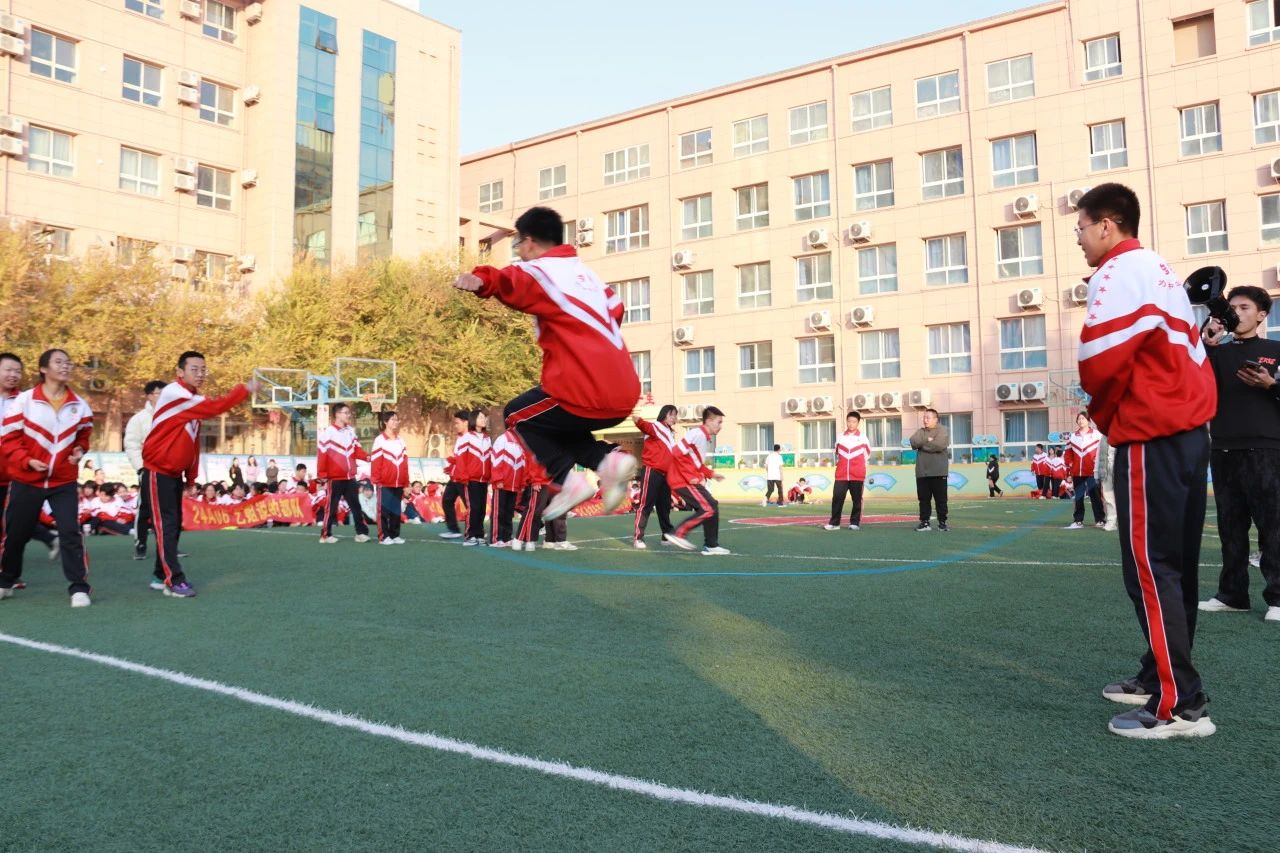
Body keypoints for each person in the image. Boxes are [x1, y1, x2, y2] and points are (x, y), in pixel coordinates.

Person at [1075, 182, 1218, 739]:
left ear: (1106, 225)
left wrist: (1105, 415)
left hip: (1151, 433)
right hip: (1188, 432)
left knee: (1152, 571)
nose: (1080, 240)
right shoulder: (1158, 267)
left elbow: (1101, 360)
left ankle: (1179, 704)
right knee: (1175, 567)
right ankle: (1159, 673)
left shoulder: (1117, 271)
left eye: (1081, 229)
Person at [453, 206, 639, 522]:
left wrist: (480, 280)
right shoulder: (590, 278)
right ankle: (607, 459)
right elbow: (616, 309)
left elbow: (507, 280)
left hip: (583, 387)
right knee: (553, 423)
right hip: (625, 391)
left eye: (518, 246)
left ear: (528, 242)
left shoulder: (541, 271)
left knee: (516, 415)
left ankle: (568, 481)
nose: (519, 253)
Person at [143, 350, 258, 598]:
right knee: (166, 525)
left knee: (174, 526)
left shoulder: (193, 399)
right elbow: (215, 407)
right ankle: (174, 580)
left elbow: (193, 442)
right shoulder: (175, 393)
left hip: (174, 473)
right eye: (194, 369)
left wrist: (191, 477)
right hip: (157, 471)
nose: (200, 374)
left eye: (203, 369)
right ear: (180, 372)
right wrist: (243, 390)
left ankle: (159, 575)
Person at [1196, 285, 1280, 624]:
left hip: (1267, 450)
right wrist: (1206, 343)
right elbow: (1188, 383)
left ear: (1262, 314)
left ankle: (1278, 598)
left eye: (1245, 307)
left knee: (1273, 526)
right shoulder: (1214, 352)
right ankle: (1232, 596)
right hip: (1223, 449)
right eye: (1233, 308)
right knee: (1231, 528)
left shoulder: (1276, 350)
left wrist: (1270, 385)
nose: (1237, 313)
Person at [0, 349, 94, 607]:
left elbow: (84, 436)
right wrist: (26, 461)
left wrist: (79, 450)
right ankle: (6, 581)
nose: (65, 366)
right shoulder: (25, 401)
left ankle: (79, 588)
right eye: (58, 362)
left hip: (63, 481)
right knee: (15, 534)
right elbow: (9, 439)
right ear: (43, 369)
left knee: (70, 532)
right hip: (27, 479)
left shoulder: (80, 405)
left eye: (68, 362)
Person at [0, 352, 58, 562]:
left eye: (18, 371)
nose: (13, 375)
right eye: (8, 370)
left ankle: (9, 572)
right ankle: (48, 538)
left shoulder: (27, 400)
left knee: (15, 519)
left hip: (16, 471)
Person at [665, 406, 729, 555]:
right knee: (708, 508)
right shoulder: (697, 433)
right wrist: (690, 476)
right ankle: (678, 534)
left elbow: (697, 464)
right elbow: (676, 453)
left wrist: (712, 474)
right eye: (719, 422)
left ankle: (711, 545)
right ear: (709, 421)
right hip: (683, 480)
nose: (720, 426)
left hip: (686, 479)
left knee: (712, 506)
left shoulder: (703, 438)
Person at [317, 402, 371, 544]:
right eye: (346, 413)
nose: (349, 415)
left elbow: (357, 450)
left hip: (350, 477)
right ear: (337, 414)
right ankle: (325, 535)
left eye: (349, 413)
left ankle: (361, 533)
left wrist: (367, 457)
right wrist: (322, 476)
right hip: (334, 478)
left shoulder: (350, 431)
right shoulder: (327, 433)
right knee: (331, 507)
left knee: (356, 506)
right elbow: (322, 456)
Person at [124, 379, 165, 560]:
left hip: (169, 470)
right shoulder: (139, 419)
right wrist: (140, 467)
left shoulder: (172, 415)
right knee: (146, 508)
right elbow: (131, 445)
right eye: (159, 393)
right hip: (148, 469)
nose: (163, 397)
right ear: (149, 396)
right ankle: (140, 543)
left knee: (168, 509)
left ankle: (168, 546)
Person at [632, 405, 678, 549]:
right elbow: (640, 422)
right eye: (671, 414)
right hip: (652, 471)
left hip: (666, 475)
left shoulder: (670, 433)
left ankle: (666, 536)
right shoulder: (656, 426)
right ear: (664, 414)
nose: (674, 418)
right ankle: (638, 538)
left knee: (664, 507)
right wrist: (634, 415)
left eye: (675, 415)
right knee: (645, 505)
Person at [827, 411, 871, 530]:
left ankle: (854, 523)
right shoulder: (840, 436)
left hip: (857, 474)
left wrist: (857, 465)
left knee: (856, 500)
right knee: (837, 498)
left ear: (858, 423)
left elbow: (867, 454)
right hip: (841, 474)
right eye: (849, 421)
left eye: (854, 422)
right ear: (846, 422)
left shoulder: (863, 437)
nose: (851, 424)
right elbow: (837, 452)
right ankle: (834, 523)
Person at [370, 410, 409, 545]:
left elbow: (405, 463)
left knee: (396, 510)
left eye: (397, 419)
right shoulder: (380, 440)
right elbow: (375, 462)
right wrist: (376, 480)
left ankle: (395, 535)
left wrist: (406, 483)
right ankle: (383, 536)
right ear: (385, 422)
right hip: (384, 482)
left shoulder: (401, 441)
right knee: (384, 510)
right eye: (392, 419)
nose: (395, 422)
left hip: (398, 483)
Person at [910, 408, 951, 532]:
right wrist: (926, 440)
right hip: (922, 472)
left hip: (939, 472)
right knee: (923, 499)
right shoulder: (920, 431)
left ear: (935, 419)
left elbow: (938, 445)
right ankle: (925, 522)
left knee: (941, 499)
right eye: (924, 417)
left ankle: (942, 523)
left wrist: (921, 445)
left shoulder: (942, 430)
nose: (925, 420)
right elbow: (913, 442)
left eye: (928, 417)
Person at [1063, 412, 1106, 529]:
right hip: (1077, 472)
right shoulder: (1073, 436)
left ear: (1088, 420)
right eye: (1079, 419)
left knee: (1095, 496)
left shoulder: (1097, 435)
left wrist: (1099, 464)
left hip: (1093, 471)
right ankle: (1078, 521)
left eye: (1083, 418)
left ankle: (1100, 520)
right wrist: (1070, 464)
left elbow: (1103, 451)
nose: (1081, 420)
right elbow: (1068, 453)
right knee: (1078, 497)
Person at [487, 422, 526, 548]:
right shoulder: (502, 439)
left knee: (509, 512)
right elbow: (496, 459)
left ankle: (506, 537)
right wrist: (498, 479)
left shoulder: (520, 442)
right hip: (502, 483)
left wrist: (522, 482)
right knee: (498, 512)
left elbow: (523, 464)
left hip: (514, 484)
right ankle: (495, 539)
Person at [439, 411, 473, 540]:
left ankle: (476, 530)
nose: (455, 426)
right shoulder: (460, 437)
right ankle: (453, 529)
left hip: (465, 477)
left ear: (466, 422)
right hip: (455, 476)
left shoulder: (472, 437)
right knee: (447, 500)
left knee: (470, 505)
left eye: (457, 423)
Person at [463, 410, 492, 546]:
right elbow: (460, 458)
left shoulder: (487, 438)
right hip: (471, 478)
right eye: (480, 417)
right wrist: (464, 476)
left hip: (484, 479)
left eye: (484, 417)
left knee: (481, 508)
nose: (484, 419)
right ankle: (470, 535)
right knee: (473, 507)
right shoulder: (467, 437)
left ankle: (479, 534)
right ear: (473, 420)